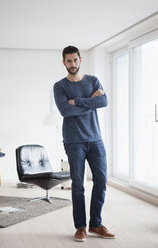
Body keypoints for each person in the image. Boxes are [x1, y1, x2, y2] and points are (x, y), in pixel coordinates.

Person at [53, 46, 115, 242]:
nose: (72, 64)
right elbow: (65, 111)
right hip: (74, 142)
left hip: (96, 139)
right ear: (64, 63)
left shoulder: (93, 80)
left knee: (101, 181)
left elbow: (103, 102)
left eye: (75, 60)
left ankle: (96, 223)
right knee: (78, 185)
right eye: (68, 61)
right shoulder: (59, 86)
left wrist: (77, 101)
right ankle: (80, 227)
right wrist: (90, 102)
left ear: (80, 60)